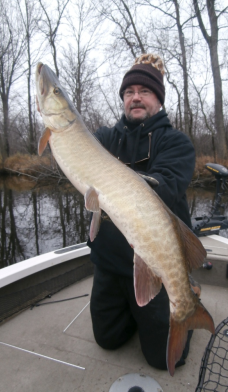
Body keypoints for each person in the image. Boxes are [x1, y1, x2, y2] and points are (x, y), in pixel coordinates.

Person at [87, 53, 198, 371]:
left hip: (154, 267)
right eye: (128, 91)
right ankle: (133, 314)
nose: (135, 97)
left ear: (158, 99)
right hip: (109, 263)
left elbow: (161, 187)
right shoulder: (105, 138)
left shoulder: (176, 143)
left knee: (163, 360)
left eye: (144, 91)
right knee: (107, 340)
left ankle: (189, 298)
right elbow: (74, 156)